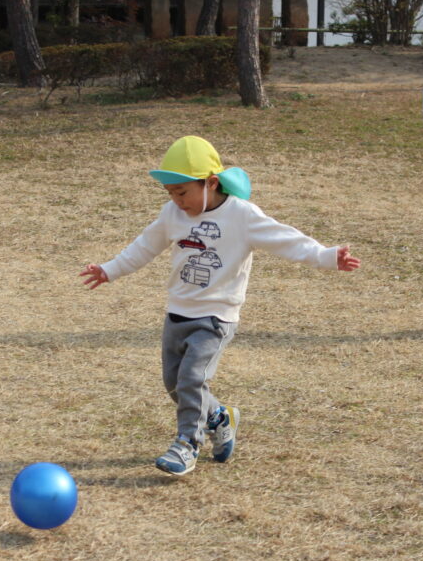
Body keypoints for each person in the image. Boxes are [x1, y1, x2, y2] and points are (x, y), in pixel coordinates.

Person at [80, 136, 361, 476]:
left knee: (191, 378)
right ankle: (217, 416)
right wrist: (110, 269)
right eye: (170, 193)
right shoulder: (173, 213)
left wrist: (327, 256)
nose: (176, 201)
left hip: (215, 317)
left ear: (210, 183)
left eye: (182, 192)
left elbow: (285, 238)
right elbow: (145, 245)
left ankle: (187, 444)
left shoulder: (241, 216)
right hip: (177, 312)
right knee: (175, 384)